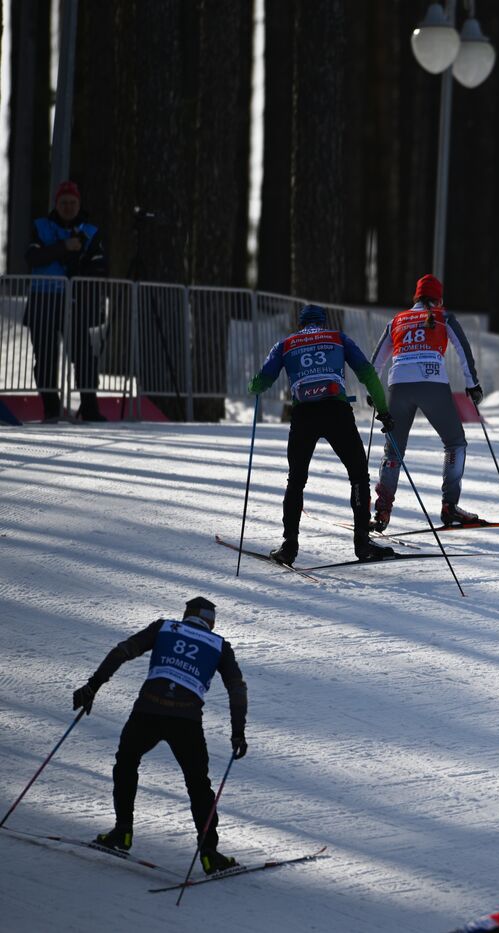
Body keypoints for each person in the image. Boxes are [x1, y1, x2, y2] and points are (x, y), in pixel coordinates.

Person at [71, 597, 247, 875]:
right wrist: (238, 731)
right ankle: (209, 854)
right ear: (211, 622)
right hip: (186, 719)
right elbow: (236, 689)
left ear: (186, 615)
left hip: (148, 711)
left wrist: (92, 686)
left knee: (127, 762)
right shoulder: (218, 645)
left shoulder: (164, 628)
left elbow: (122, 651)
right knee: (198, 785)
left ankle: (122, 832)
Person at [249, 304, 394, 564]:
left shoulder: (286, 344)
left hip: (304, 415)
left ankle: (289, 546)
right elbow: (367, 372)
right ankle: (362, 541)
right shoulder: (338, 339)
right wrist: (382, 409)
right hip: (336, 410)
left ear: (301, 323)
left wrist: (254, 386)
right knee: (358, 474)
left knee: (296, 480)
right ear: (322, 322)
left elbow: (262, 380)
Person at [370, 274, 485, 531]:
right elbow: (463, 350)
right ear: (439, 298)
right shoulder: (444, 317)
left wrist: (372, 389)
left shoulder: (396, 320)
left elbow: (375, 361)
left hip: (398, 386)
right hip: (432, 383)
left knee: (393, 451)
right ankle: (449, 505)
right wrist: (472, 384)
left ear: (416, 297)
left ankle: (383, 510)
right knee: (455, 443)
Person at [24, 180, 108, 422]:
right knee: (46, 356)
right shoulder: (41, 227)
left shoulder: (91, 232)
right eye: (64, 203)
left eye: (73, 203)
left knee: (84, 354)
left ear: (79, 203)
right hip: (43, 300)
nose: (69, 207)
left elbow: (101, 267)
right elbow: (32, 256)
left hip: (76, 301)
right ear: (56, 204)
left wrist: (78, 266)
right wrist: (64, 247)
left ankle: (90, 407)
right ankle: (51, 407)